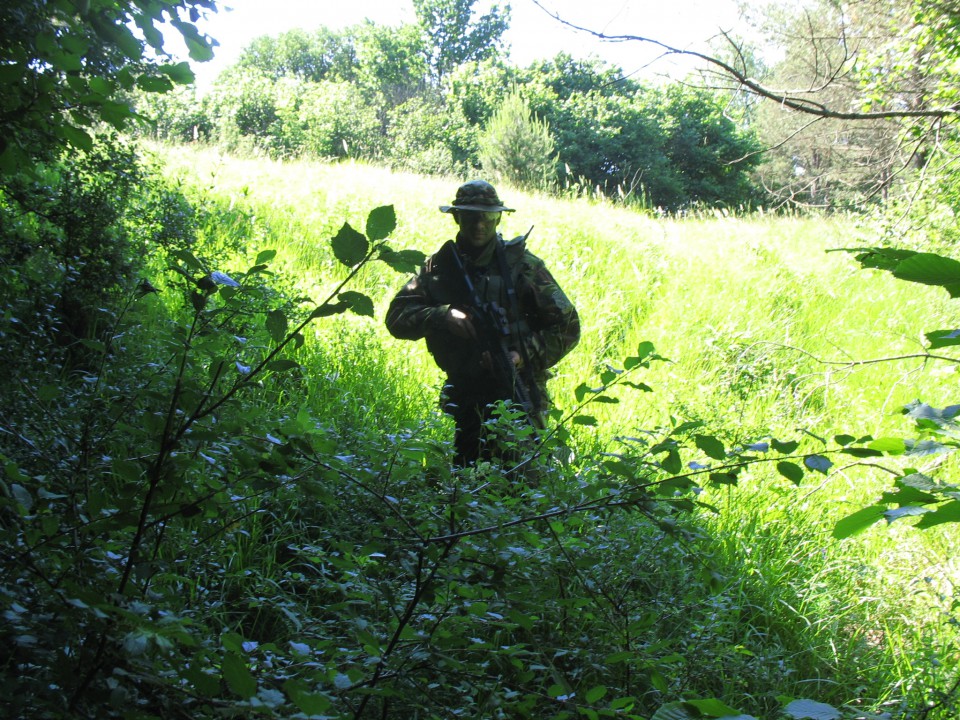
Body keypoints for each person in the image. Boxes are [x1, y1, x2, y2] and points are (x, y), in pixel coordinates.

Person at [385, 180, 580, 467]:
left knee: (524, 476)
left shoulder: (523, 267)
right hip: (468, 392)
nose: (479, 225)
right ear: (456, 217)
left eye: (487, 217)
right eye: (471, 216)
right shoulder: (439, 268)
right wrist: (443, 315)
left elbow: (568, 326)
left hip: (519, 387)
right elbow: (397, 318)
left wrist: (520, 355)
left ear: (499, 217)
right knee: (468, 479)